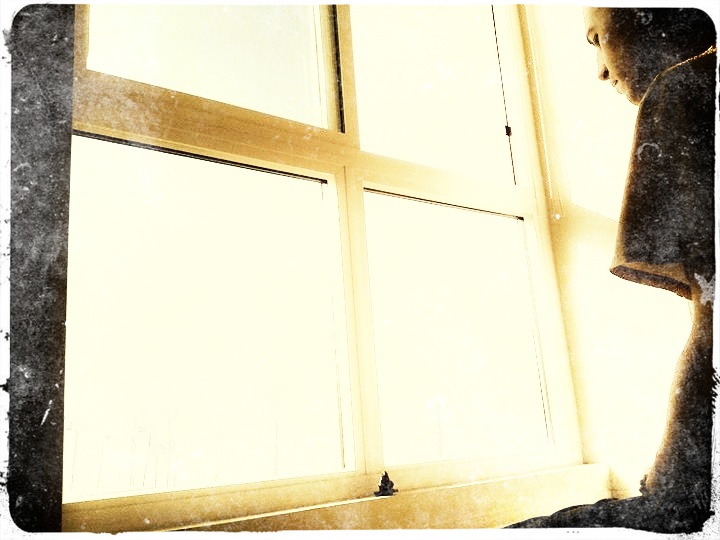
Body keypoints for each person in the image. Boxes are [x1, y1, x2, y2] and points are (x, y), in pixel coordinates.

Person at [508, 7, 717, 533]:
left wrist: (671, 483)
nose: (601, 70)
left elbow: (711, 316)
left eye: (597, 38)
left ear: (647, 18)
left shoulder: (680, 89)